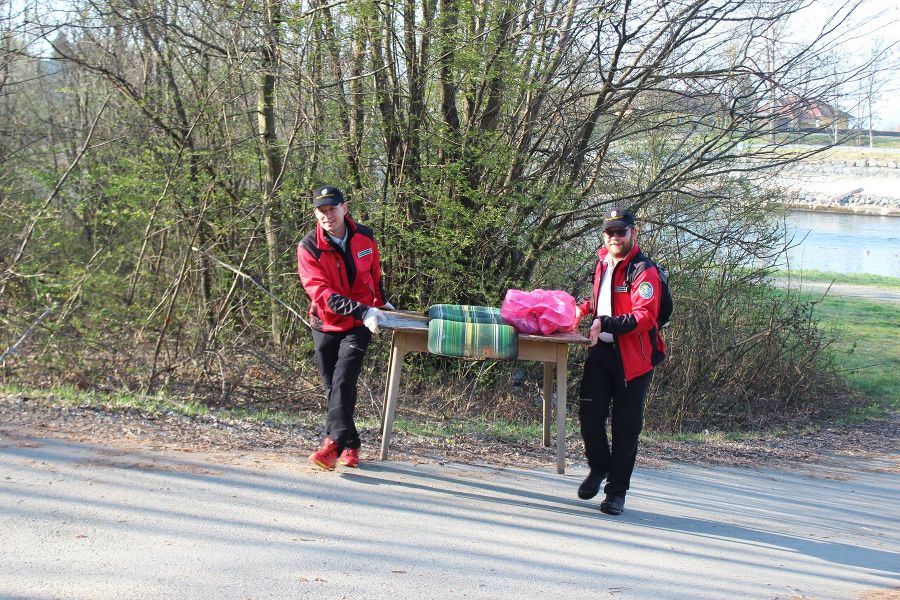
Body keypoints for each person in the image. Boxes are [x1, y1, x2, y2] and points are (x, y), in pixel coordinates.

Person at [575, 207, 666, 515]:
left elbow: (645, 315)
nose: (615, 237)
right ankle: (599, 466)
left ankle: (616, 493)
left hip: (635, 359)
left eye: (621, 232)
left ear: (633, 233)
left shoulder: (643, 269)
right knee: (589, 416)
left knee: (626, 429)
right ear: (605, 235)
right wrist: (583, 308)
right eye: (610, 232)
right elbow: (602, 298)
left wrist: (606, 323)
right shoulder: (602, 261)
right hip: (601, 353)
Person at [297, 185, 392, 470]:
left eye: (332, 209)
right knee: (332, 386)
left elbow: (374, 273)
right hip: (325, 323)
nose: (328, 216)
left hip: (359, 325)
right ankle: (352, 445)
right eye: (322, 211)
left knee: (343, 380)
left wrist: (381, 301)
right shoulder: (309, 246)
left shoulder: (365, 237)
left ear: (344, 208)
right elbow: (320, 293)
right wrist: (364, 310)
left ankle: (331, 447)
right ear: (316, 213)